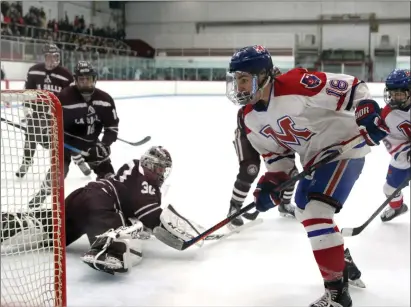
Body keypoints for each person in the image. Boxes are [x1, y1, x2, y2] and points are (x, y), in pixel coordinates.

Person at [225, 45, 387, 307]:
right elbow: (278, 160)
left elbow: (354, 88)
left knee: (315, 212)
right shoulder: (250, 119)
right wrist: (271, 185)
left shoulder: (296, 84)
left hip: (343, 148)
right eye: (235, 81)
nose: (239, 87)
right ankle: (341, 261)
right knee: (304, 211)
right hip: (315, 158)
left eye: (244, 79)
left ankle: (337, 295)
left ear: (264, 75)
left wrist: (367, 111)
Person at [1, 146, 214, 275]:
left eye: (162, 169)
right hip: (101, 202)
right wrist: (186, 232)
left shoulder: (131, 170)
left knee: (55, 231)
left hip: (82, 196)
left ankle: (17, 221)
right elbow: (150, 216)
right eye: (157, 167)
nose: (159, 172)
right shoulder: (144, 180)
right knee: (116, 236)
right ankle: (108, 251)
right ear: (148, 165)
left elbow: (138, 210)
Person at [28, 60, 119, 208]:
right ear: (75, 80)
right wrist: (46, 133)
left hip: (91, 145)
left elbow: (112, 127)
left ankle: (111, 203)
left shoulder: (105, 100)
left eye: (88, 79)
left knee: (109, 177)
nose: (85, 83)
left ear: (94, 79)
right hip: (67, 144)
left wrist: (104, 144)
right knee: (57, 175)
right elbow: (51, 123)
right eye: (81, 79)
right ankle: (42, 194)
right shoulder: (63, 98)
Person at [16, 43, 91, 178]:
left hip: (58, 111)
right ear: (44, 57)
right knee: (31, 134)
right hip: (38, 110)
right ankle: (26, 161)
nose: (52, 60)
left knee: (67, 138)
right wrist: (27, 108)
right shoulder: (34, 71)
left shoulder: (66, 75)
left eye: (55, 57)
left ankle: (79, 161)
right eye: (49, 57)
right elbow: (28, 91)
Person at [228, 87, 297, 228]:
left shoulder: (285, 103)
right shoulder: (251, 107)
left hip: (272, 137)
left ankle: (285, 204)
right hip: (246, 135)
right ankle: (234, 208)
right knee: (249, 169)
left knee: (291, 173)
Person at [379, 69, 411, 222]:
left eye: (399, 93)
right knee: (389, 189)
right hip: (406, 155)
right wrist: (406, 153)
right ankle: (397, 207)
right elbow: (392, 142)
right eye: (391, 93)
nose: (394, 98)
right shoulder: (388, 114)